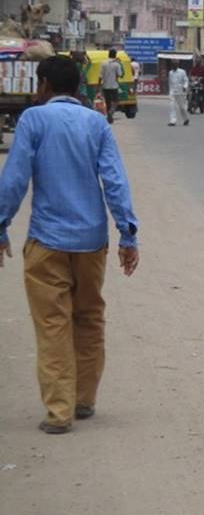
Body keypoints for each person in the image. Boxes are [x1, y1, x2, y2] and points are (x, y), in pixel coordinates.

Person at [0, 55, 139, 434]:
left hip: (46, 240)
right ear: (78, 87)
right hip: (91, 242)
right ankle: (84, 400)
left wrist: (1, 225)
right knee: (89, 317)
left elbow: (14, 180)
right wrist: (128, 234)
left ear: (43, 85)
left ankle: (59, 412)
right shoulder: (96, 123)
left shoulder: (33, 120)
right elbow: (114, 180)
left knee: (52, 324)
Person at [99, 48, 122, 125]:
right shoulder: (117, 64)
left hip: (105, 86)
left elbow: (100, 76)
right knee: (116, 101)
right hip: (114, 86)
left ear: (108, 54)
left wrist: (99, 86)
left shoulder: (103, 63)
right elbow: (120, 75)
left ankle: (109, 118)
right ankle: (110, 112)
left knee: (108, 102)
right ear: (115, 55)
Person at [167, 60, 189, 127]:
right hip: (172, 92)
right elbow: (170, 82)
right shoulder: (170, 72)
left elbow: (186, 80)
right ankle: (172, 121)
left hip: (181, 92)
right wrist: (170, 91)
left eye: (175, 64)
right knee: (172, 106)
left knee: (182, 107)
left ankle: (186, 119)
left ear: (178, 65)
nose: (174, 65)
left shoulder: (182, 72)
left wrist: (185, 87)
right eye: (173, 64)